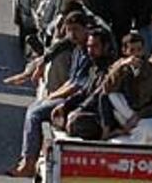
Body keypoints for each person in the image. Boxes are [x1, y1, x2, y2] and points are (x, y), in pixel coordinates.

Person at [8, 11, 91, 178]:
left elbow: (77, 86)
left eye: (76, 29)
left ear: (86, 29)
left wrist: (53, 98)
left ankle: (29, 164)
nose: (72, 34)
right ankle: (27, 159)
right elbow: (70, 80)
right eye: (69, 30)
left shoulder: (89, 51)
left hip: (82, 101)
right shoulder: (77, 49)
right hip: (72, 95)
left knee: (35, 114)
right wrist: (51, 96)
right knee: (35, 107)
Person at [100, 31, 152, 142]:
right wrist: (121, 67)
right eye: (132, 51)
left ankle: (127, 132)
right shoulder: (119, 68)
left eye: (139, 50)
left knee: (144, 130)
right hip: (127, 115)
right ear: (125, 51)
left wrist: (138, 116)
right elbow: (107, 89)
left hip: (149, 118)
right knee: (108, 95)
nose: (136, 54)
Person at [51, 29, 113, 140]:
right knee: (58, 115)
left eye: (95, 46)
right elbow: (84, 91)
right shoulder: (93, 67)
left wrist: (79, 110)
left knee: (76, 122)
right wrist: (65, 105)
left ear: (106, 47)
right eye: (89, 46)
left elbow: (96, 95)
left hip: (102, 116)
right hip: (88, 110)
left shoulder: (110, 70)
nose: (90, 50)